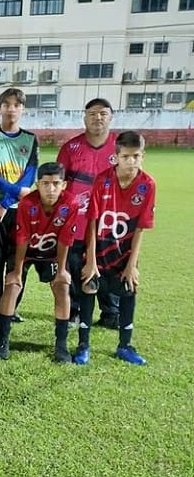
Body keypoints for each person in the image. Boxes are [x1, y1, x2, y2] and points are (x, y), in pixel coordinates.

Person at [80, 131, 156, 366]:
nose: (131, 161)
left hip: (125, 253)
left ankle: (125, 345)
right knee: (89, 289)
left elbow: (141, 228)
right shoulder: (102, 180)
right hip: (99, 249)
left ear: (142, 156)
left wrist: (132, 265)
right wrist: (90, 260)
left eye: (136, 156)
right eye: (126, 156)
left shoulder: (148, 185)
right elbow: (92, 221)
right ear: (116, 157)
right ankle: (83, 345)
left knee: (128, 290)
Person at [0, 162, 80, 362]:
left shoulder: (71, 204)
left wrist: (60, 270)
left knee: (62, 287)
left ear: (64, 185)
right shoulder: (27, 203)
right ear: (37, 184)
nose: (51, 189)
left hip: (52, 252)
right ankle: (2, 341)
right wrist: (16, 271)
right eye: (45, 183)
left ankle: (61, 345)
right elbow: (22, 237)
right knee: (12, 286)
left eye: (56, 184)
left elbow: (65, 239)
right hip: (27, 249)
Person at [57, 98, 119, 329]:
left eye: (103, 113)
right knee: (74, 265)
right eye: (92, 113)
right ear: (85, 117)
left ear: (111, 117)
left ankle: (111, 311)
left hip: (109, 222)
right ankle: (74, 311)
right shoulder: (70, 148)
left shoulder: (119, 147)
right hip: (78, 221)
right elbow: (60, 184)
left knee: (108, 265)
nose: (98, 118)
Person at [0, 88, 39, 323]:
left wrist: (9, 201)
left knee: (19, 261)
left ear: (22, 109)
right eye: (7, 104)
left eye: (16, 105)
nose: (11, 109)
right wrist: (9, 197)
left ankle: (11, 306)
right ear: (0, 108)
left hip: (20, 211)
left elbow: (31, 173)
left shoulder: (30, 139)